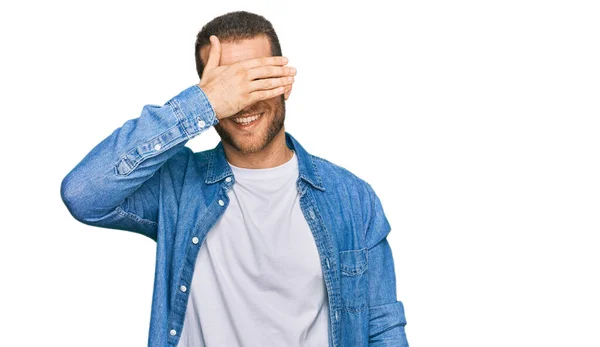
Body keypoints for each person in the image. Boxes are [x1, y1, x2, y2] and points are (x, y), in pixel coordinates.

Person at [60, 10, 408, 347]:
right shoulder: (177, 185)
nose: (242, 104)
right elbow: (83, 193)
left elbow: (382, 328)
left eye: (254, 81)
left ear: (285, 83)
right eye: (228, 87)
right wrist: (203, 103)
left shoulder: (350, 197)